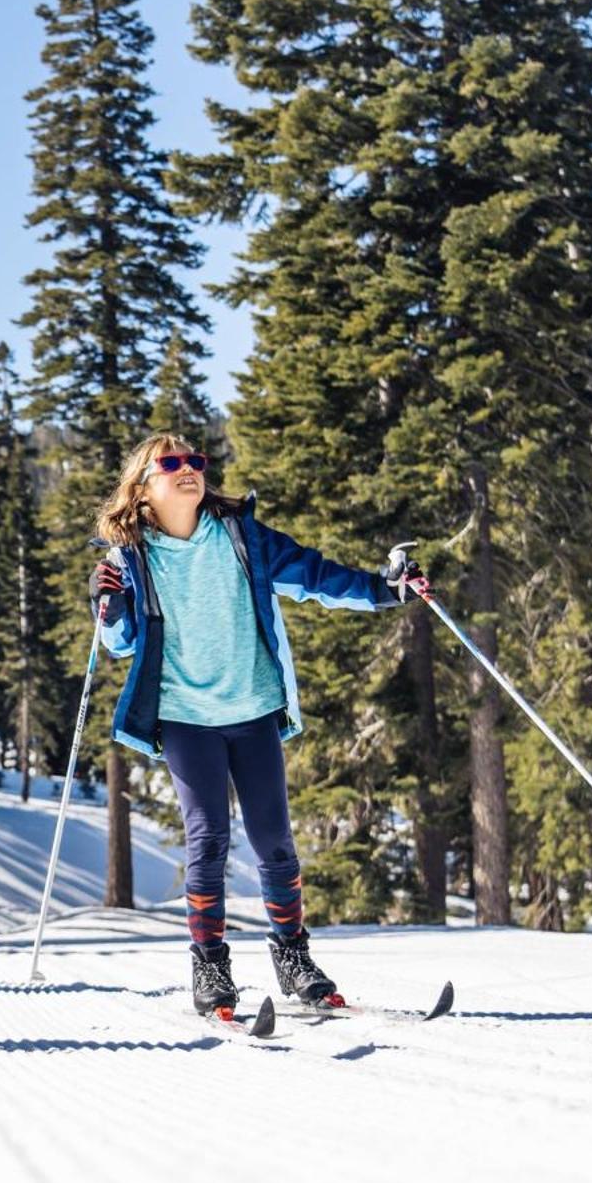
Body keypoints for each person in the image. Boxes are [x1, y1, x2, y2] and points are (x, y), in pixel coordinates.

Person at [89, 436, 430, 1017]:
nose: (189, 470)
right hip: (186, 717)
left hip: (252, 708)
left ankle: (293, 959)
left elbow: (315, 576)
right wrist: (110, 605)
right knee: (209, 839)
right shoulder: (129, 559)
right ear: (143, 486)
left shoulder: (241, 536)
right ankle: (210, 966)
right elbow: (118, 645)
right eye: (171, 464)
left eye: (196, 460)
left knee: (276, 842)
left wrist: (385, 588)